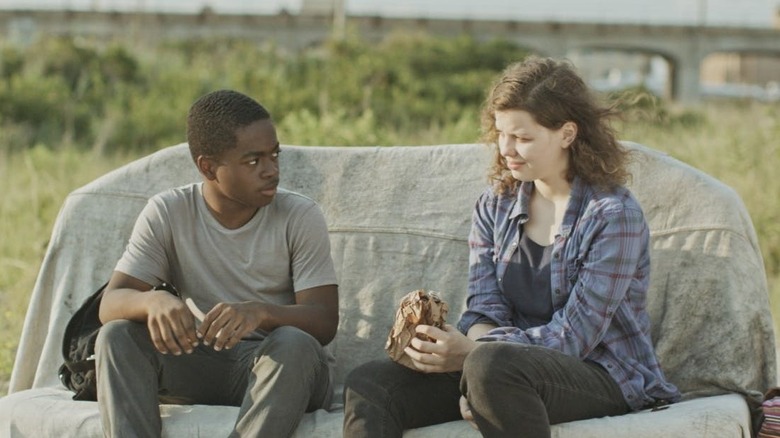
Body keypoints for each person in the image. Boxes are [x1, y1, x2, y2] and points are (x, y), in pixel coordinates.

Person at [342, 56, 680, 438]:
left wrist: (473, 355)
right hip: (503, 368)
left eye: (522, 138)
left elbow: (574, 337)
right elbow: (485, 304)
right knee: (371, 384)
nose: (507, 149)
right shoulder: (496, 204)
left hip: (601, 373)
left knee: (492, 367)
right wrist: (458, 353)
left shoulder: (613, 214)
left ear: (567, 134)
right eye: (501, 133)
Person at [95, 89, 339, 437]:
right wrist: (153, 301)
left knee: (295, 343)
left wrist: (262, 312)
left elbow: (325, 320)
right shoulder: (168, 212)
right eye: (253, 161)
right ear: (208, 167)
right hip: (202, 362)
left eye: (274, 156)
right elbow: (110, 303)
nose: (271, 171)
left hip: (281, 369)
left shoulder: (299, 216)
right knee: (117, 335)